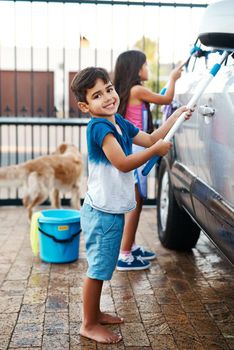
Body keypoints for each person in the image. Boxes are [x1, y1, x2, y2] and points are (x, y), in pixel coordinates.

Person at [70, 67, 191, 344]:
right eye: (97, 95)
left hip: (110, 210)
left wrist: (175, 117)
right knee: (97, 270)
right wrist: (154, 152)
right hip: (101, 212)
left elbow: (149, 138)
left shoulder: (118, 122)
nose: (108, 97)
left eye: (109, 89)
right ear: (85, 106)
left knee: (103, 267)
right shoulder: (100, 127)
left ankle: (95, 312)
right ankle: (88, 323)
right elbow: (123, 163)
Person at [113, 50, 182, 271]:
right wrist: (172, 78)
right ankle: (124, 254)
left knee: (138, 200)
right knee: (135, 202)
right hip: (137, 148)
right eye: (145, 65)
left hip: (137, 146)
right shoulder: (137, 90)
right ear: (135, 69)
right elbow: (167, 99)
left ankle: (130, 246)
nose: (147, 68)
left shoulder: (132, 91)